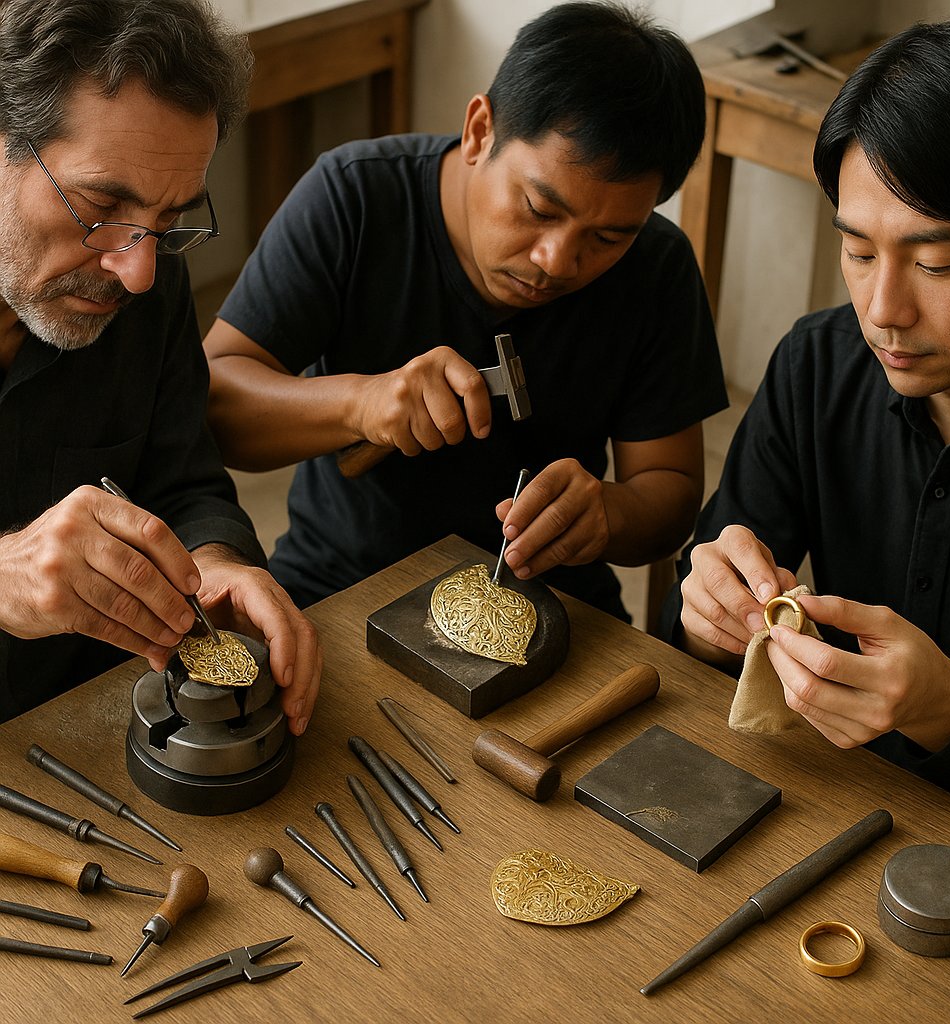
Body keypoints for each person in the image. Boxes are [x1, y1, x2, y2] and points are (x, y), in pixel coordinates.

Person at [203, 1, 726, 622]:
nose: (557, 261)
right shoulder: (355, 198)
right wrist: (359, 403)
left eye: (607, 238)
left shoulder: (657, 267)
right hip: (345, 586)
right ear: (480, 130)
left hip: (549, 601)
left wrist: (608, 514)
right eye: (538, 207)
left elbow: (669, 494)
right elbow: (215, 403)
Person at [671, 16, 950, 828]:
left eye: (936, 263)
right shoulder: (819, 367)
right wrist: (707, 616)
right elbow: (693, 638)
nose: (883, 310)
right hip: (829, 817)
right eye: (859, 253)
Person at [0, 0, 321, 732]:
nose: (139, 270)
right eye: (101, 205)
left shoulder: (143, 278)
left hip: (99, 723)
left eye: (170, 220)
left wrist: (215, 565)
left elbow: (182, 479)